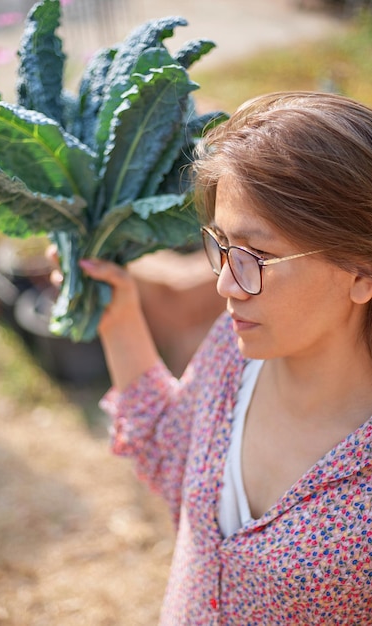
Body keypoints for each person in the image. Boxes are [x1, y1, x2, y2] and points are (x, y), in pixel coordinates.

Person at [76, 91, 372, 625]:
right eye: (221, 246)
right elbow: (173, 452)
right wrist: (116, 316)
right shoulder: (236, 352)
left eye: (257, 256)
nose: (225, 284)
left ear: (361, 272)